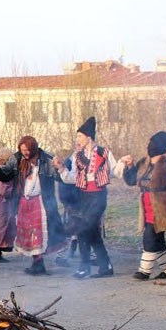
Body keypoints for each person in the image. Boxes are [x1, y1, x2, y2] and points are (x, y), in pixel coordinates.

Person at [0, 136, 66, 275]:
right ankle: (37, 263)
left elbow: (60, 176)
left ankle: (41, 263)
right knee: (30, 233)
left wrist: (59, 166)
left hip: (42, 202)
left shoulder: (46, 158)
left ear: (34, 148)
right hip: (24, 202)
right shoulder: (17, 158)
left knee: (41, 233)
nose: (25, 153)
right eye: (22, 150)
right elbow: (5, 174)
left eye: (27, 150)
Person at [116, 131, 166, 280]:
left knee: (149, 238)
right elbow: (132, 181)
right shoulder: (144, 162)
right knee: (157, 241)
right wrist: (130, 165)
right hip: (146, 207)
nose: (149, 145)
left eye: (152, 142)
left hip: (162, 207)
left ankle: (144, 271)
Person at [56, 116, 117, 279]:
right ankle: (106, 266)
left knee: (84, 230)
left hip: (98, 196)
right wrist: (61, 168)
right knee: (91, 232)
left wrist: (125, 163)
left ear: (88, 137)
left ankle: (85, 268)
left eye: (79, 136)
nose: (77, 140)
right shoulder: (77, 156)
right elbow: (72, 178)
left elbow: (115, 171)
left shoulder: (104, 153)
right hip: (83, 196)